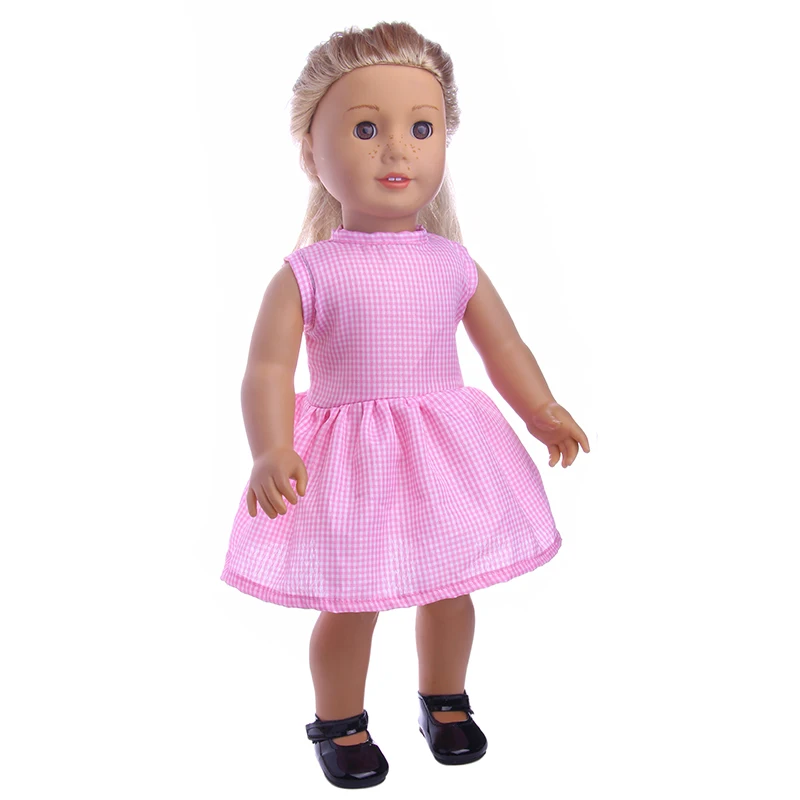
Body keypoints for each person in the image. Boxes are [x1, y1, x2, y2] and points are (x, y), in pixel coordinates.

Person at [219, 21, 590, 790]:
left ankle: (444, 699)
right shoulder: (308, 273)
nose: (398, 150)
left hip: (444, 453)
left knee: (451, 590)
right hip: (349, 464)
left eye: (422, 129)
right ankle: (339, 721)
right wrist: (270, 447)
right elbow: (266, 369)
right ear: (311, 152)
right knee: (352, 602)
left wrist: (541, 406)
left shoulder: (453, 263)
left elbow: (504, 347)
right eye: (366, 128)